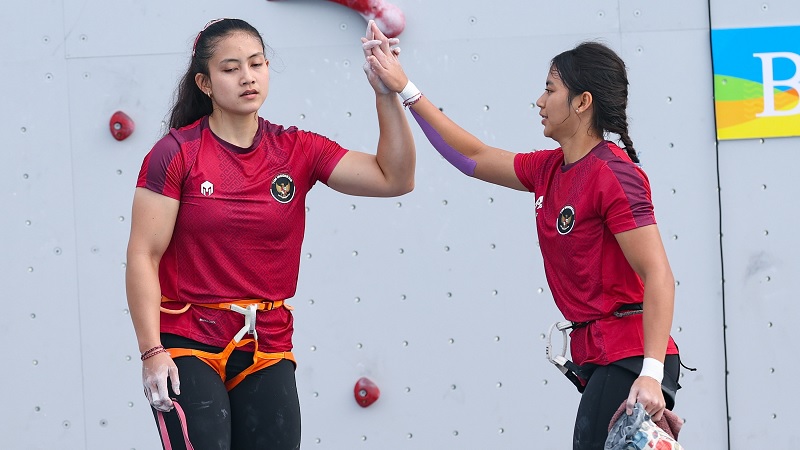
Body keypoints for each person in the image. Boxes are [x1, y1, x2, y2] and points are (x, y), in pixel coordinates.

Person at [363, 30, 682, 450]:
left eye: (550, 90)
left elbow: (658, 274)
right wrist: (404, 88)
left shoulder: (613, 174)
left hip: (630, 357)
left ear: (582, 102)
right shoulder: (549, 169)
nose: (539, 100)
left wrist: (651, 374)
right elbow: (470, 156)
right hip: (603, 358)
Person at [125, 18, 414, 450]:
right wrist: (152, 352)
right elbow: (143, 256)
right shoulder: (176, 153)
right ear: (204, 83)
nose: (248, 77)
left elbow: (395, 178)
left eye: (257, 64)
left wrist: (386, 94)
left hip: (267, 342)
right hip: (188, 340)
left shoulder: (295, 148)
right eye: (231, 68)